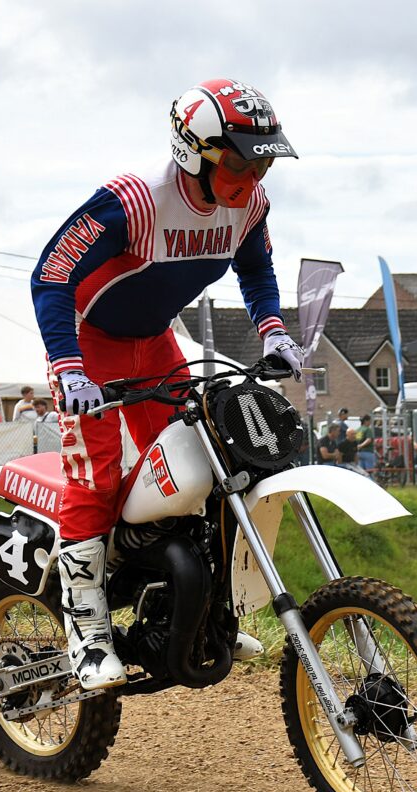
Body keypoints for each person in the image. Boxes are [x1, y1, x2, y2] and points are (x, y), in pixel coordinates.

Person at [32, 77, 303, 691]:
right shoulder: (133, 203)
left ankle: (205, 613)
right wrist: (69, 366)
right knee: (98, 474)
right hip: (88, 342)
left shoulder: (249, 206)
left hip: (155, 340)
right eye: (240, 160)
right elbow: (50, 275)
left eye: (263, 161)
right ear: (196, 151)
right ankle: (87, 632)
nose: (253, 175)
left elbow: (256, 267)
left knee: (204, 461)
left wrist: (272, 329)